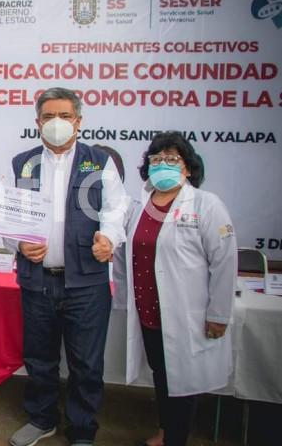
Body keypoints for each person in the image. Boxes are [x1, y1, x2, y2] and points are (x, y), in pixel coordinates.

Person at [7, 87, 128, 446]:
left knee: (86, 364)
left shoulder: (97, 161)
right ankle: (42, 419)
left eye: (64, 116)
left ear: (78, 121)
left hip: (86, 283)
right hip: (37, 281)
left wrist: (109, 237)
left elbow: (116, 208)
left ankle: (81, 431)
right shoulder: (23, 163)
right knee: (39, 358)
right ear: (37, 122)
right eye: (48, 117)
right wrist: (19, 243)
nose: (56, 123)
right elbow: (9, 215)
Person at [113, 132, 236, 446]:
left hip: (187, 314)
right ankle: (166, 430)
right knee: (162, 374)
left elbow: (224, 262)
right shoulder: (138, 206)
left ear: (189, 168)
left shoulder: (206, 205)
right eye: (156, 159)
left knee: (183, 380)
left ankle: (176, 438)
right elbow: (123, 255)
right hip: (149, 311)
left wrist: (219, 314)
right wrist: (125, 301)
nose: (162, 164)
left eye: (172, 158)